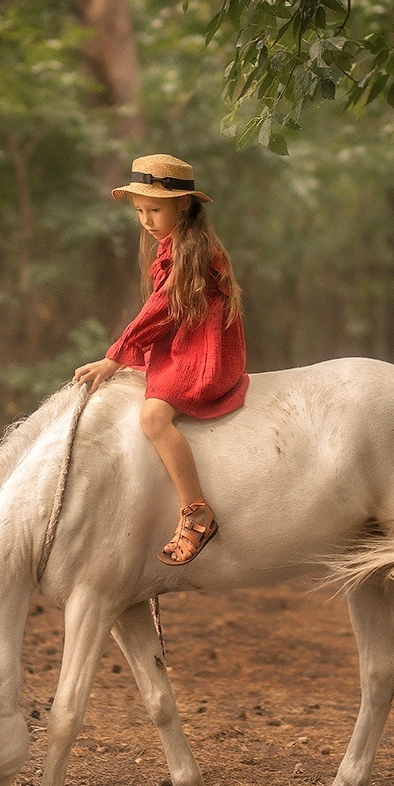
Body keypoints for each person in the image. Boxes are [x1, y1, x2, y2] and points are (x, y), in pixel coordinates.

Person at [74, 154, 249, 566]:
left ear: (183, 205)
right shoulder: (172, 245)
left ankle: (196, 512)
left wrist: (113, 358)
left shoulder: (194, 249)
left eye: (155, 209)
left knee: (153, 417)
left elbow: (164, 308)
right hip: (184, 340)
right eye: (140, 211)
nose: (147, 220)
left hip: (204, 352)